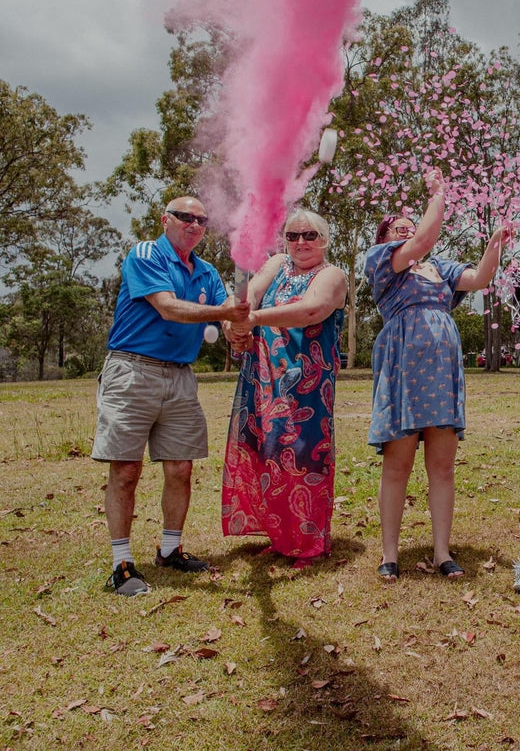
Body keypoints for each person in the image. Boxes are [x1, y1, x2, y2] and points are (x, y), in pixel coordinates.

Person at [94, 197, 251, 596]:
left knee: (180, 469)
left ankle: (170, 550)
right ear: (166, 220)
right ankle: (122, 564)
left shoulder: (207, 271)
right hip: (133, 370)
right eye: (186, 217)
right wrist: (225, 313)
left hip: (181, 376)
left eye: (202, 219)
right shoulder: (146, 254)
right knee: (126, 470)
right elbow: (167, 308)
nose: (194, 224)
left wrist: (239, 331)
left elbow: (225, 319)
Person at [366, 168, 510, 580]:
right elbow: (423, 240)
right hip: (403, 370)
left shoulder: (440, 268)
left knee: (442, 467)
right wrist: (439, 193)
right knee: (398, 466)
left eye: (410, 227)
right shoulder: (382, 263)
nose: (408, 232)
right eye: (399, 229)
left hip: (441, 372)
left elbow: (480, 278)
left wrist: (495, 244)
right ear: (385, 239)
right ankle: (389, 555)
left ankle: (443, 552)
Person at [221, 209, 348, 568]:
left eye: (309, 235)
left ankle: (308, 542)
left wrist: (254, 318)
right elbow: (251, 294)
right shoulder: (277, 263)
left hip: (306, 384)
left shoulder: (333, 275)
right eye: (293, 236)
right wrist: (235, 320)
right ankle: (279, 535)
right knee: (266, 451)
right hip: (262, 375)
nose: (301, 243)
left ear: (323, 238)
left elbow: (311, 310)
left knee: (304, 456)